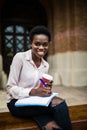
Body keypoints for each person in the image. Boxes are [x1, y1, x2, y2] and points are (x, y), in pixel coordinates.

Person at [7, 25, 72, 130]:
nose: (41, 48)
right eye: (37, 44)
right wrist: (35, 92)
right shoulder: (20, 58)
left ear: (48, 45)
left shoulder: (45, 65)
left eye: (45, 44)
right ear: (30, 43)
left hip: (33, 102)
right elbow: (10, 88)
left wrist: (46, 90)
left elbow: (39, 87)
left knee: (54, 126)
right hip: (16, 103)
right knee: (59, 104)